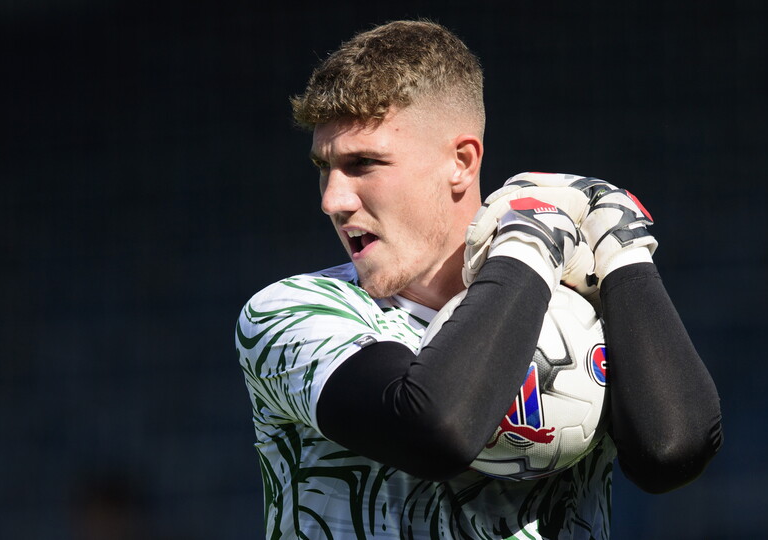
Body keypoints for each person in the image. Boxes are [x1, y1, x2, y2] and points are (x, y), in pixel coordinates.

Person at [235, 19, 722, 539]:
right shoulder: (290, 312)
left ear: (462, 163)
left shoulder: (575, 308)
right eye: (324, 167)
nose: (332, 200)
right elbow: (435, 431)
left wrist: (625, 255)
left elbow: (671, 454)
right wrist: (528, 244)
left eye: (364, 164)